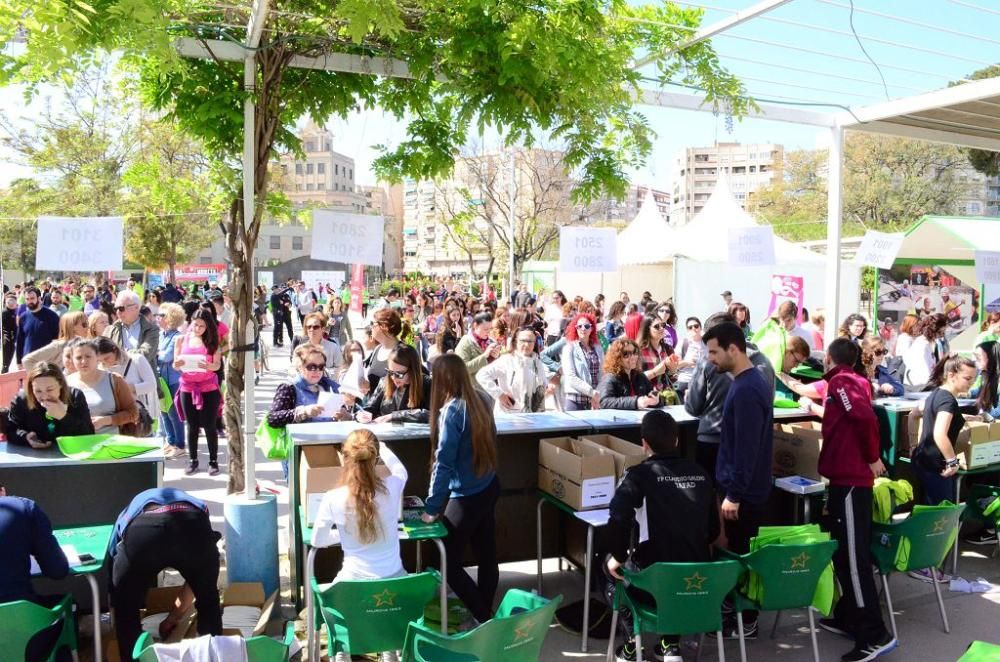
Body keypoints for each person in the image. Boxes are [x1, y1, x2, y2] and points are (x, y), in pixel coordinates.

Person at [605, 410, 719, 662]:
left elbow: (617, 517)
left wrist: (618, 555)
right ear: (676, 441)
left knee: (610, 572)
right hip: (699, 583)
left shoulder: (638, 476)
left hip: (653, 584)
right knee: (678, 561)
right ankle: (670, 643)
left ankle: (631, 649)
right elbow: (713, 532)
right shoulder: (701, 473)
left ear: (643, 443)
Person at [816, 338, 897, 662]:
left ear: (831, 359)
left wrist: (872, 457)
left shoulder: (842, 381)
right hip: (844, 480)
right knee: (844, 553)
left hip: (850, 481)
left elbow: (864, 418)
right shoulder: (848, 382)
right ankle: (849, 615)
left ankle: (873, 633)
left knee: (852, 558)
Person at [702, 321, 773, 638]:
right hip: (743, 490)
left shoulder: (746, 389)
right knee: (735, 554)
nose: (711, 359)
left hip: (743, 495)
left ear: (734, 349)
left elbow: (746, 449)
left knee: (739, 556)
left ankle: (745, 622)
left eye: (714, 352)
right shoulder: (746, 383)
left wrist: (733, 494)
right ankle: (735, 615)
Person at [421, 354, 500, 626]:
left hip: (467, 494)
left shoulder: (452, 411)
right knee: (486, 552)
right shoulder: (482, 399)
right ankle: (484, 612)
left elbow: (443, 462)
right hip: (488, 485)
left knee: (443, 558)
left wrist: (432, 508)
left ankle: (482, 615)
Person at [108, 488, 222, 662]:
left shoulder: (128, 512)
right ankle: (211, 657)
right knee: (208, 602)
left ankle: (134, 658)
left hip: (144, 530)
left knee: (126, 610)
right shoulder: (195, 504)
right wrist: (174, 618)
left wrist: (117, 607)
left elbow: (114, 561)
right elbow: (197, 579)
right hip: (191, 523)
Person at [313, 430, 409, 594]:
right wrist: (384, 449)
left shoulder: (332, 498)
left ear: (345, 458)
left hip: (352, 591)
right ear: (376, 458)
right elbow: (401, 471)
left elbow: (317, 541)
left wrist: (342, 535)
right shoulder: (392, 487)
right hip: (395, 590)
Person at [911, 355, 977, 510]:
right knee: (940, 515)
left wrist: (913, 444)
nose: (971, 383)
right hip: (937, 466)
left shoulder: (936, 394)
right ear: (951, 375)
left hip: (923, 460)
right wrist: (952, 461)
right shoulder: (948, 401)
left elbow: (914, 414)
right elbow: (939, 433)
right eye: (967, 378)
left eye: (974, 379)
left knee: (926, 511)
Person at [174, 309, 223, 476]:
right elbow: (176, 364)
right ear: (191, 323)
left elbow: (217, 365)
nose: (198, 329)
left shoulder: (213, 342)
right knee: (191, 425)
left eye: (202, 326)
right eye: (196, 325)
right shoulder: (181, 340)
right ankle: (193, 459)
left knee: (209, 425)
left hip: (208, 387)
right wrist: (178, 363)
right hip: (187, 387)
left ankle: (213, 460)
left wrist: (208, 366)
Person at [8, 361, 95, 448]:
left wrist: (64, 417)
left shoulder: (75, 396)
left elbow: (88, 434)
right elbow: (11, 430)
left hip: (70, 454)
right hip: (36, 456)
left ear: (60, 384)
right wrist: (26, 437)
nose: (44, 397)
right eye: (38, 391)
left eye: (50, 390)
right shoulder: (21, 400)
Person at [66, 339, 138, 435]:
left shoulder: (114, 380)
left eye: (88, 356)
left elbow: (133, 413)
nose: (83, 361)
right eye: (78, 358)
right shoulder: (66, 383)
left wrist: (107, 420)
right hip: (79, 444)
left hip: (112, 443)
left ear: (97, 357)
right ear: (72, 360)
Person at [476, 325, 548, 414]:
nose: (527, 344)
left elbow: (543, 386)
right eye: (523, 341)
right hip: (509, 417)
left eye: (530, 341)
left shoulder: (537, 362)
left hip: (532, 417)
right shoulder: (506, 360)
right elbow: (482, 375)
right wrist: (499, 394)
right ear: (515, 341)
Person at [357, 344, 431, 423]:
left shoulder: (427, 384)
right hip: (388, 434)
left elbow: (432, 414)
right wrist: (361, 415)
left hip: (416, 435)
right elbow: (369, 408)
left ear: (412, 371)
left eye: (399, 374)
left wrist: (394, 416)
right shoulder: (384, 383)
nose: (393, 378)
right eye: (390, 372)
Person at [96, 337, 158, 430]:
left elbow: (151, 385)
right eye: (100, 361)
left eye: (107, 358)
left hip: (140, 417)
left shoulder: (136, 359)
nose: (105, 363)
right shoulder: (100, 369)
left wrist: (125, 388)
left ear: (115, 350)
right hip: (116, 420)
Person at [156, 302, 187, 458]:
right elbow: (158, 355)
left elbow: (166, 356)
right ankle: (171, 441)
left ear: (170, 318)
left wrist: (156, 353)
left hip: (174, 380)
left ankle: (180, 444)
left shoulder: (178, 337)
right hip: (161, 379)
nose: (157, 318)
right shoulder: (161, 335)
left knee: (174, 413)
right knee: (164, 412)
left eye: (161, 315)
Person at [598, 338, 658, 410]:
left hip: (640, 420)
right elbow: (604, 402)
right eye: (626, 354)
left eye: (635, 352)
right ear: (617, 357)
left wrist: (656, 400)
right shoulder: (609, 378)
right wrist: (636, 402)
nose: (633, 357)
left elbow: (652, 395)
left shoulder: (640, 376)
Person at [560, 312, 604, 411]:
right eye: (580, 326)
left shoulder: (598, 348)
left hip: (594, 401)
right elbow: (571, 377)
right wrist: (592, 392)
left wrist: (597, 394)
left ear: (592, 329)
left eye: (587, 326)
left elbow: (602, 373)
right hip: (575, 400)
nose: (583, 329)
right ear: (576, 328)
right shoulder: (569, 348)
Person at [22, 310, 88, 372]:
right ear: (72, 327)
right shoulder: (59, 345)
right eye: (84, 324)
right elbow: (27, 360)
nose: (88, 327)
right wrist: (43, 378)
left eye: (88, 323)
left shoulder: (84, 343)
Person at [16, 286, 61, 370]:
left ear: (39, 298)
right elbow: (20, 341)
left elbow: (58, 340)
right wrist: (18, 361)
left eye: (32, 298)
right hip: (28, 361)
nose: (30, 301)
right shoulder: (23, 317)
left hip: (46, 363)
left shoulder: (51, 316)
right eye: (27, 299)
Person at [901, 314, 948, 388]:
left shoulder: (927, 344)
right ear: (933, 330)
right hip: (918, 388)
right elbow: (924, 374)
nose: (942, 336)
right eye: (941, 332)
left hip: (922, 386)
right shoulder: (922, 345)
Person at [365, 307, 404, 393]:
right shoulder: (377, 349)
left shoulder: (403, 352)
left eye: (373, 323)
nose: (371, 327)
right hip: (373, 404)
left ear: (384, 326)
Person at [636, 314, 676, 395]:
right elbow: (635, 379)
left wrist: (673, 370)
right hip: (647, 397)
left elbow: (672, 377)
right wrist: (655, 372)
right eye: (657, 326)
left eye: (663, 325)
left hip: (666, 397)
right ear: (647, 329)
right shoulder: (639, 351)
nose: (661, 328)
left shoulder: (668, 349)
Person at [455, 311, 502, 378]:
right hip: (471, 386)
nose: (489, 332)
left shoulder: (491, 341)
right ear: (475, 325)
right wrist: (485, 356)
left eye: (490, 329)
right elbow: (462, 369)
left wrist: (496, 357)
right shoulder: (465, 342)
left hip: (488, 385)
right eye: (485, 329)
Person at [674, 316, 706, 401]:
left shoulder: (706, 343)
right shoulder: (683, 343)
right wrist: (687, 362)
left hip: (702, 382)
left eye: (696, 326)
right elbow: (674, 365)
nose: (693, 329)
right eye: (690, 327)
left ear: (700, 327)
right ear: (687, 330)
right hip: (685, 381)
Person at [2, 293, 17, 372]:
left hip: (13, 339)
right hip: (6, 340)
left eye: (13, 302)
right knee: (6, 362)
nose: (11, 304)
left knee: (9, 361)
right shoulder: (4, 313)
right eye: (9, 302)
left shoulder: (15, 312)